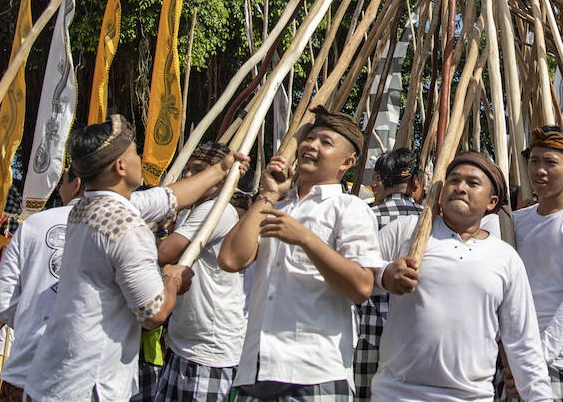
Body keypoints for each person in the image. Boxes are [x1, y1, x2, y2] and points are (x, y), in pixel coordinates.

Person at [26, 115, 247, 401]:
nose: (139, 158)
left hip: (56, 374)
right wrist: (172, 280)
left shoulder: (87, 206)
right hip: (88, 383)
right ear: (121, 166)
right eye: (134, 153)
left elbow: (168, 198)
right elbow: (153, 314)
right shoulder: (126, 227)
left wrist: (221, 169)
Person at [219, 106, 382, 400]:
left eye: (325, 142)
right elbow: (231, 259)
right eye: (310, 138)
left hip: (314, 372)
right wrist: (269, 194)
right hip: (256, 368)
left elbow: (361, 287)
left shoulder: (349, 209)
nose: (311, 146)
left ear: (347, 162)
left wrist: (306, 239)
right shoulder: (277, 206)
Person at [372, 151, 552, 401]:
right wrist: (384, 276)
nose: (460, 188)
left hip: (471, 396)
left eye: (473, 183)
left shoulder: (505, 258)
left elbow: (523, 341)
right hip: (398, 393)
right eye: (454, 180)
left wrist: (540, 397)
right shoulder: (406, 232)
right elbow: (358, 275)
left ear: (491, 202)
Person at [496, 126, 563, 401]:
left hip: (560, 359)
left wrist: (536, 359)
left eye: (550, 162)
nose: (539, 170)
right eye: (534, 161)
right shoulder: (515, 222)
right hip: (513, 360)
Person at [153, 142, 248, 402]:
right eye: (188, 169)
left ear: (220, 178)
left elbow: (165, 253)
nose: (187, 175)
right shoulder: (192, 210)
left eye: (198, 170)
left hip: (210, 348)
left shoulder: (217, 210)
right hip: (184, 342)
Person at [0, 167, 85, 401]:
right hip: (88, 378)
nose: (59, 190)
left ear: (76, 184)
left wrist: (31, 318)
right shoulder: (122, 225)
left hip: (29, 368)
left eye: (62, 182)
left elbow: (0, 304)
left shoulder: (33, 224)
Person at [354, 148, 425, 400]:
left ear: (382, 181)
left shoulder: (364, 218)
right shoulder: (432, 223)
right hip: (416, 337)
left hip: (368, 333)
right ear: (416, 182)